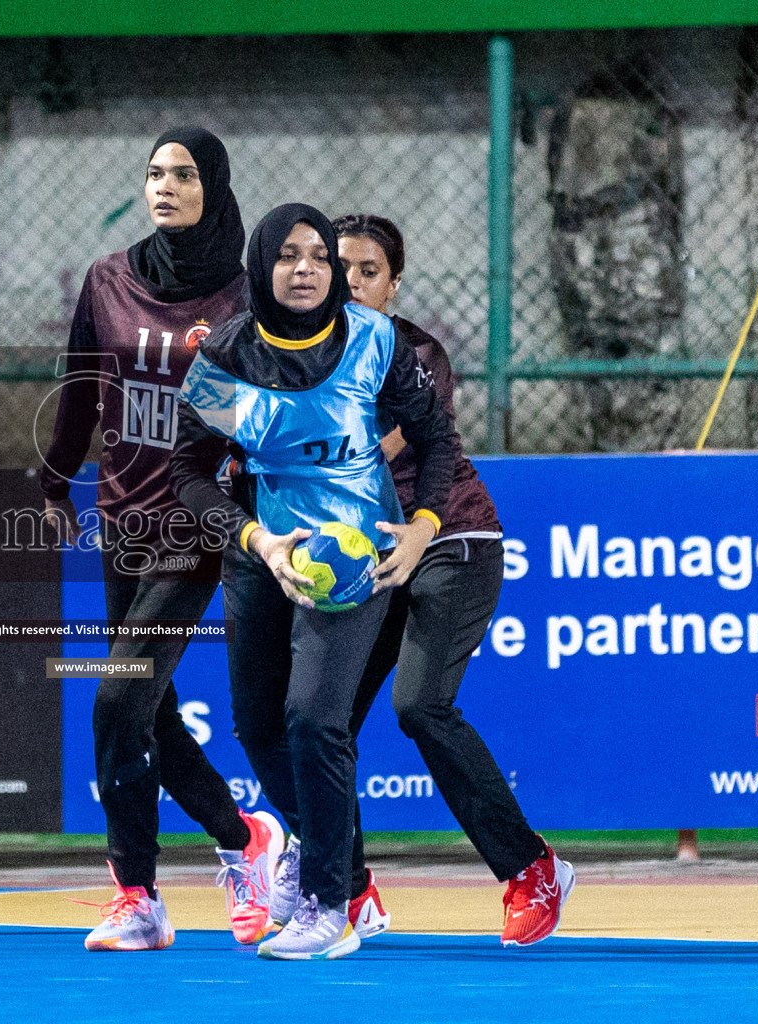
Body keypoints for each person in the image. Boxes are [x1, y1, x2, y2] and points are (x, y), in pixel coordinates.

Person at [170, 203, 458, 960]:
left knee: (313, 719)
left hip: (359, 554)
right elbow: (189, 472)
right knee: (257, 727)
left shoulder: (373, 342)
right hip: (266, 548)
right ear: (260, 268)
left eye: (320, 257)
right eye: (288, 256)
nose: (306, 269)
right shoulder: (227, 357)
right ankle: (350, 877)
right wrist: (256, 540)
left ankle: (327, 905)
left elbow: (435, 438)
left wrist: (423, 526)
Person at [39, 127, 283, 952]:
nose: (164, 186)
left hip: (200, 522)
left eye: (182, 173)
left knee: (117, 697)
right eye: (153, 173)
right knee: (150, 715)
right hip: (121, 517)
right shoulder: (107, 280)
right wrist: (49, 480)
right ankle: (243, 840)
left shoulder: (249, 297)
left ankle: (137, 892)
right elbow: (78, 390)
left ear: (213, 183)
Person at [324, 212, 574, 947]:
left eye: (368, 272)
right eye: (339, 268)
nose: (351, 283)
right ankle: (346, 889)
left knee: (420, 705)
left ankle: (531, 869)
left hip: (450, 541)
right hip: (370, 558)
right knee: (319, 720)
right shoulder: (303, 358)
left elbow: (371, 447)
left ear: (393, 284)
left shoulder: (414, 354)